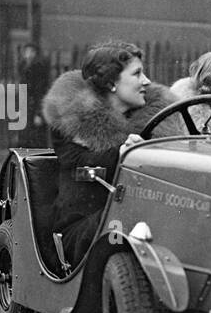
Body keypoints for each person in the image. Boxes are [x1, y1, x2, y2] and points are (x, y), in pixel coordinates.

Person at [40, 40, 183, 266]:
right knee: (128, 225)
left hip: (137, 217)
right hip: (83, 226)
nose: (146, 81)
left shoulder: (157, 121)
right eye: (137, 74)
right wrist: (122, 155)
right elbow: (80, 169)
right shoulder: (72, 121)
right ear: (112, 84)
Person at [17, 41, 52, 148]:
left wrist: (39, 113)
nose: (28, 54)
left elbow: (40, 92)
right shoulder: (24, 67)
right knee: (28, 138)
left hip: (34, 108)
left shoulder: (38, 68)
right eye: (26, 51)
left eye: (31, 51)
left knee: (37, 139)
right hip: (27, 108)